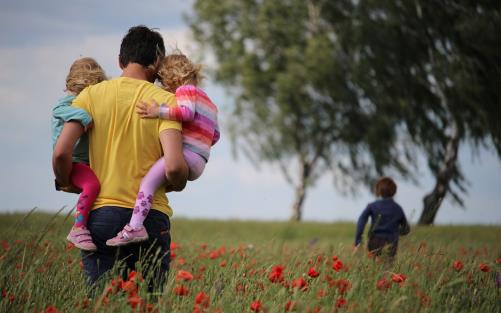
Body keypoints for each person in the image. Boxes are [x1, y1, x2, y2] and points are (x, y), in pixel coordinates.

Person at [52, 25, 188, 292]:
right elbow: (173, 166)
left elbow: (60, 152)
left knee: (103, 302)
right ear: (157, 63)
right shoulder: (166, 102)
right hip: (151, 218)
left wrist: (66, 180)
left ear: (120, 60)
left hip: (102, 215)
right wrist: (180, 180)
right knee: (148, 304)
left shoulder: (90, 96)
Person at [106, 53, 220, 246]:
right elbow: (215, 135)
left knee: (147, 183)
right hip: (200, 160)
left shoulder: (185, 90)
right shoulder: (210, 103)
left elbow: (186, 113)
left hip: (187, 155)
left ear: (171, 77)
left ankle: (135, 227)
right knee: (158, 181)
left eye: (162, 81)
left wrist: (157, 111)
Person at [51, 57, 106, 251]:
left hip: (84, 161)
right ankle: (78, 227)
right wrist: (84, 117)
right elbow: (58, 110)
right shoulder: (69, 101)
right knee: (92, 184)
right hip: (73, 161)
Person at [354, 176, 410, 259]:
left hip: (374, 241)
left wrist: (358, 241)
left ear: (378, 190)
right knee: (388, 268)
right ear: (394, 191)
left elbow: (361, 222)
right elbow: (406, 229)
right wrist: (395, 233)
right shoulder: (398, 208)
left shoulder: (372, 206)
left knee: (374, 268)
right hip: (391, 242)